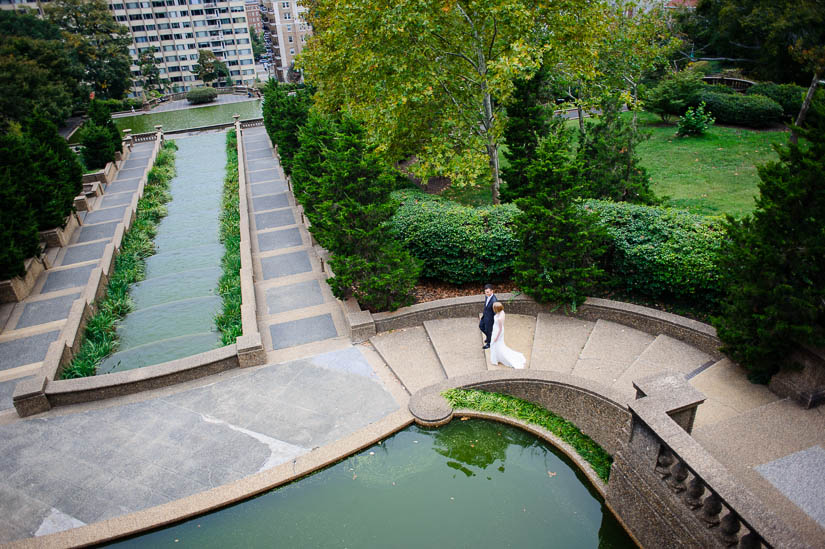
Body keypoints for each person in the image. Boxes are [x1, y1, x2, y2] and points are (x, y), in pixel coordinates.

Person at [490, 302, 526, 369]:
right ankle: (497, 357)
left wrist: (496, 337)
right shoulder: (502, 312)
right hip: (496, 329)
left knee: (495, 344)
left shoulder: (500, 318)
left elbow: (500, 329)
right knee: (497, 345)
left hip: (498, 332)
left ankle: (498, 358)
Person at [479, 284, 497, 349]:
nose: (486, 293)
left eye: (488, 292)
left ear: (492, 291)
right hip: (485, 316)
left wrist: (495, 322)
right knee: (481, 326)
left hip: (490, 319)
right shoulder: (487, 296)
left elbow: (495, 312)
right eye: (485, 292)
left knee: (489, 330)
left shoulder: (494, 300)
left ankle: (489, 343)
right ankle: (489, 336)